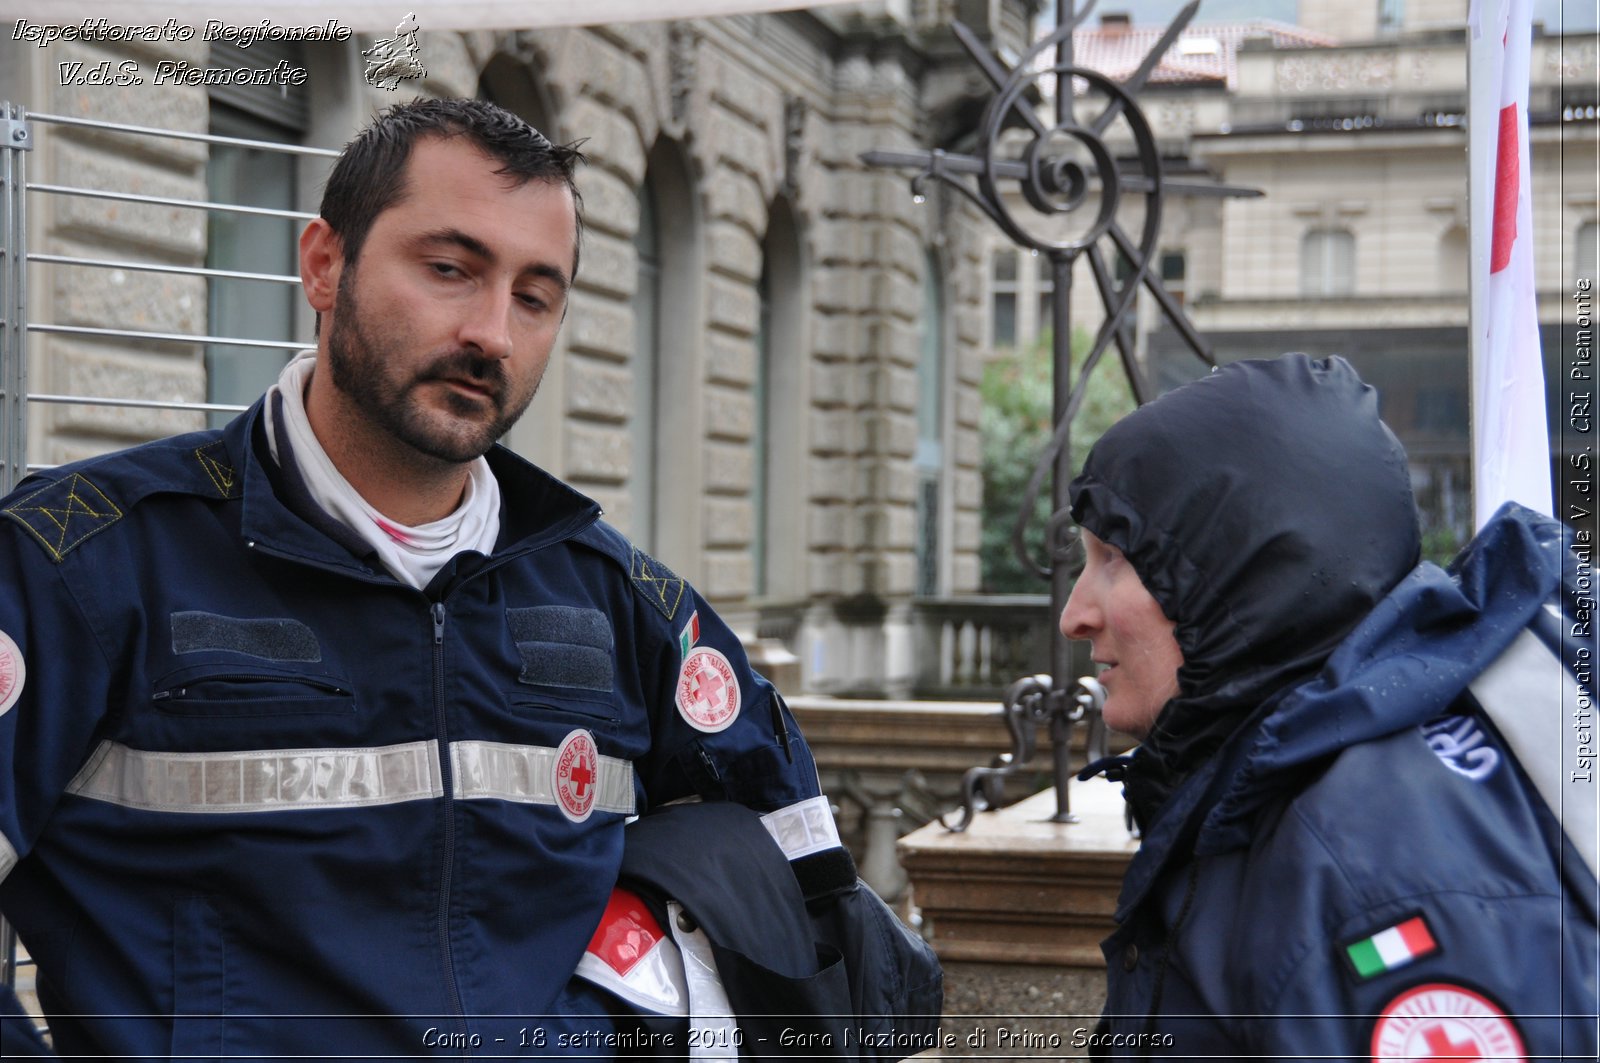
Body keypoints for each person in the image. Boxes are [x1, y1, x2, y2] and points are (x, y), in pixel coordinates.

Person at [0, 98, 862, 1058]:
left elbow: (805, 889)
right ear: (325, 264)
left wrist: (639, 1021)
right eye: (450, 269)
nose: (492, 332)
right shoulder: (82, 566)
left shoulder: (618, 599)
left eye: (535, 296)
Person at [1059, 354, 1597, 1059]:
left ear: (1243, 575)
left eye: (1115, 559)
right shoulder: (1296, 785)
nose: (1074, 613)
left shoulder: (1362, 868)